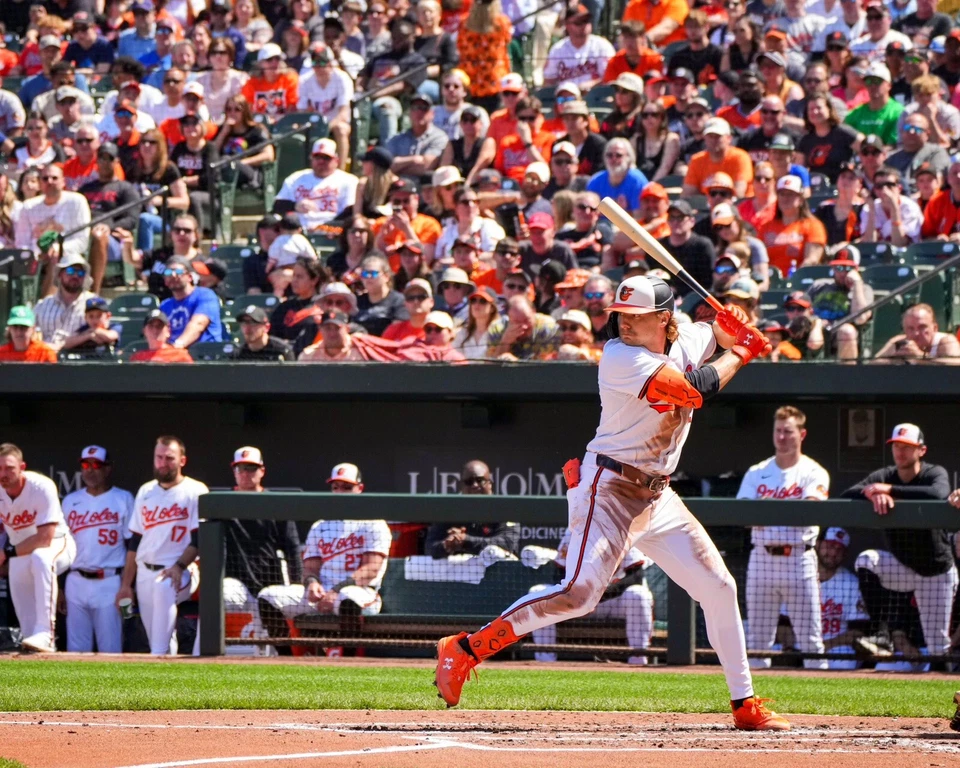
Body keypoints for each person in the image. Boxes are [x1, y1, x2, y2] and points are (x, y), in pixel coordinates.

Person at [434, 274, 787, 731]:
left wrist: (733, 324)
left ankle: (745, 704)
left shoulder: (685, 336)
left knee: (719, 588)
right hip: (610, 487)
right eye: (619, 317)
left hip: (657, 495)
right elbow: (694, 391)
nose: (623, 325)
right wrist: (740, 352)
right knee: (579, 595)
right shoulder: (620, 357)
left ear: (665, 319)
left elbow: (712, 331)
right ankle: (464, 650)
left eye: (635, 318)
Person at [841, 424, 956, 664]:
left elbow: (938, 493)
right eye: (896, 446)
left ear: (921, 450)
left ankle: (947, 688)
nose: (900, 452)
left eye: (907, 447)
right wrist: (870, 493)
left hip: (935, 571)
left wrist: (891, 490)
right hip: (902, 566)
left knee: (938, 646)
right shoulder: (884, 475)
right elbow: (847, 494)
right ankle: (881, 635)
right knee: (866, 560)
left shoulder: (933, 472)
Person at [737, 405, 829, 670]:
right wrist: (775, 511)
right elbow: (744, 515)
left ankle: (822, 703)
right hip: (762, 558)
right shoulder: (758, 471)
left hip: (799, 559)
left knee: (811, 640)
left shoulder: (814, 471)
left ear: (802, 434)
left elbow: (809, 511)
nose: (782, 437)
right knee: (758, 641)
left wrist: (765, 509)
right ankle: (753, 703)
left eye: (788, 431)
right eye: (778, 431)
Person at [258, 463, 392, 640]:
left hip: (361, 592)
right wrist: (312, 582)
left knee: (347, 598)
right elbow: (310, 568)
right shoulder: (321, 526)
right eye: (335, 487)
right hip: (323, 594)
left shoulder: (373, 523)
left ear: (359, 488)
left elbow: (371, 569)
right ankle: (286, 659)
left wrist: (336, 591)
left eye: (347, 487)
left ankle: (348, 660)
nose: (340, 492)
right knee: (268, 596)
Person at [117, 436, 207, 656]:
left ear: (182, 461)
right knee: (158, 637)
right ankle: (167, 673)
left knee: (163, 587)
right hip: (145, 571)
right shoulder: (146, 491)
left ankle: (156, 659)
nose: (163, 463)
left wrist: (179, 566)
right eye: (159, 457)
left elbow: (199, 540)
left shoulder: (196, 490)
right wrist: (126, 584)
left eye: (169, 458)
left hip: (181, 569)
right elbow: (135, 541)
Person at [0, 443, 76, 653]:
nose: (3, 474)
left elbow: (44, 538)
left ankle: (47, 634)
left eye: (9, 468)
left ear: (22, 466)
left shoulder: (41, 486)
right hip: (20, 552)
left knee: (41, 558)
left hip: (58, 544)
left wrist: (5, 554)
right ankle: (35, 643)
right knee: (27, 631)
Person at [61, 445, 134, 654]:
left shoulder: (124, 498)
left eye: (96, 465)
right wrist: (59, 587)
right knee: (76, 649)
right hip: (75, 580)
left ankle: (110, 688)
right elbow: (59, 547)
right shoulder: (70, 501)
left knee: (111, 649)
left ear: (108, 469)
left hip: (109, 582)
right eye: (85, 465)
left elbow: (132, 546)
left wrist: (127, 585)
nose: (90, 470)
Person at [80, 141, 141, 295]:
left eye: (110, 159)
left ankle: (93, 293)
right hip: (83, 234)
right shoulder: (85, 189)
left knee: (99, 236)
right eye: (102, 158)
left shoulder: (126, 188)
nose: (105, 163)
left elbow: (132, 219)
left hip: (113, 241)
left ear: (117, 162)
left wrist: (110, 227)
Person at [425, 461, 520, 558]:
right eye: (469, 482)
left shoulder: (506, 509)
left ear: (490, 483)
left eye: (480, 480)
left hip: (498, 569)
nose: (474, 485)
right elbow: (429, 548)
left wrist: (466, 540)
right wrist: (446, 545)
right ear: (462, 487)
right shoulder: (449, 511)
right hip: (460, 570)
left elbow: (507, 543)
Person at [14, 162, 91, 281]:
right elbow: (22, 243)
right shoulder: (28, 207)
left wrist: (58, 248)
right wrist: (36, 255)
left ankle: (49, 299)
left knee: (55, 257)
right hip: (35, 258)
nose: (49, 181)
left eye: (54, 178)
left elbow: (82, 240)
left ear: (63, 181)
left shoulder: (77, 201)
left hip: (68, 257)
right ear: (40, 183)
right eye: (45, 178)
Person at [816, 527, 871, 670]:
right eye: (830, 546)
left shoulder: (851, 583)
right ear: (817, 544)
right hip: (802, 645)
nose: (834, 553)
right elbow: (784, 624)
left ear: (845, 554)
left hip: (837, 646)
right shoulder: (801, 578)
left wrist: (824, 646)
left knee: (844, 660)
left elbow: (858, 632)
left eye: (839, 549)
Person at [275, 138, 358, 232]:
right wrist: (295, 205)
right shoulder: (296, 178)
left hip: (332, 230)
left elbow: (350, 212)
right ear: (311, 158)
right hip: (298, 230)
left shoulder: (348, 180)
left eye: (326, 158)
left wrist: (322, 227)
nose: (321, 162)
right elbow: (278, 206)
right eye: (317, 157)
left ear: (336, 160)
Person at [807, 246, 873, 360]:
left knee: (846, 331)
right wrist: (815, 322)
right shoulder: (819, 285)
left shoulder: (864, 289)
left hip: (842, 334)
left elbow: (860, 318)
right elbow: (803, 307)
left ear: (855, 269)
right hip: (816, 329)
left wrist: (857, 284)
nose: (842, 272)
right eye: (838, 267)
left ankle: (847, 376)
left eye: (848, 268)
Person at [757, 175, 827, 276]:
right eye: (782, 194)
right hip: (769, 279)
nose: (785, 198)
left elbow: (812, 260)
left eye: (790, 194)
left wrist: (794, 279)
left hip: (799, 282)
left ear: (801, 200)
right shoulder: (766, 228)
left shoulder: (813, 226)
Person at [296, 44, 352, 166]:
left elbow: (344, 112)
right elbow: (301, 110)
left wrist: (327, 126)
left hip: (336, 121)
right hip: (314, 122)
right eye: (315, 63)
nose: (319, 68)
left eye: (322, 63)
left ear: (331, 63)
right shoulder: (305, 80)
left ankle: (341, 169)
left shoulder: (342, 78)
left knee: (341, 130)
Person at [454, 0, 512, 114]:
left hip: (471, 82)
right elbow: (507, 40)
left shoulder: (464, 23)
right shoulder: (501, 23)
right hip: (494, 82)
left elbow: (459, 46)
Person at [543, 4, 614, 93]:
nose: (584, 25)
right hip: (566, 99)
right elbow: (548, 82)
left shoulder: (602, 46)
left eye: (586, 21)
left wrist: (592, 84)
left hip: (594, 97)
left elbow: (609, 79)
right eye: (578, 22)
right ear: (567, 25)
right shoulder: (557, 50)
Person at [32, 253, 96, 351]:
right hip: (46, 360)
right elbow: (30, 334)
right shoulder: (42, 305)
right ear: (60, 274)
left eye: (80, 273)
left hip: (81, 360)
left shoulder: (94, 303)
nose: (75, 276)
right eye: (70, 271)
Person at [212, 94, 274, 193]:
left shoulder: (256, 130)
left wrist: (240, 163)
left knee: (226, 160)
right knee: (222, 162)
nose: (232, 113)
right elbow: (212, 154)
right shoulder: (222, 130)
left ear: (244, 111)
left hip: (248, 171)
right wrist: (224, 132)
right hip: (225, 169)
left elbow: (269, 155)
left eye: (237, 109)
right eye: (229, 109)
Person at [159, 257, 224, 348]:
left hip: (203, 354)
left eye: (178, 272)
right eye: (168, 272)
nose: (173, 275)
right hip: (174, 356)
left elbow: (198, 324)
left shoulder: (205, 295)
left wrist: (177, 346)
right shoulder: (165, 305)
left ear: (189, 277)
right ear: (165, 281)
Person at [797, 94, 861, 185]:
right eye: (811, 109)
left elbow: (867, 149)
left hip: (841, 187)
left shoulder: (844, 133)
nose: (815, 112)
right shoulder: (805, 141)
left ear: (829, 109)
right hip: (815, 189)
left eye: (819, 108)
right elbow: (800, 170)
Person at [683, 118, 753, 199]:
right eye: (710, 136)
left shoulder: (740, 157)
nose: (713, 140)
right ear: (704, 138)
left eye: (718, 136)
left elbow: (739, 193)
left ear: (729, 138)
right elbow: (688, 195)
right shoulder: (696, 160)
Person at [660, 200, 715, 297]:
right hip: (664, 299)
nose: (675, 222)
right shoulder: (660, 247)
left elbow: (708, 282)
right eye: (672, 217)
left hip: (695, 300)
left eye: (680, 217)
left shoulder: (702, 246)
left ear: (692, 221)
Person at [843, 62, 903, 147]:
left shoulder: (898, 112)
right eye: (868, 81)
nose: (872, 85)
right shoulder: (855, 113)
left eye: (877, 81)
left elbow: (893, 145)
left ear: (889, 85)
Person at [874, 302, 960, 361]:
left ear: (935, 328)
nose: (916, 333)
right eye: (910, 328)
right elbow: (872, 364)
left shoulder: (946, 341)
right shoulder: (898, 342)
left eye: (922, 327)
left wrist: (920, 356)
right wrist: (894, 359)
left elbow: (953, 367)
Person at [586, 137, 649, 218]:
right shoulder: (596, 180)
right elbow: (587, 212)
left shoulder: (637, 181)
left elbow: (640, 218)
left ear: (629, 158)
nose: (613, 159)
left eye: (618, 155)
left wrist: (621, 212)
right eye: (609, 155)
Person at [860, 166, 922, 245]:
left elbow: (900, 244)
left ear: (899, 188)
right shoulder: (868, 208)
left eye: (889, 185)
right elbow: (869, 244)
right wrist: (872, 210)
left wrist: (894, 208)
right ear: (874, 190)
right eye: (879, 186)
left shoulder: (910, 207)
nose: (884, 190)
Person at [485, 295, 560, 360]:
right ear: (508, 318)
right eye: (517, 322)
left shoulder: (548, 327)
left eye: (526, 320)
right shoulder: (497, 328)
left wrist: (517, 364)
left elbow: (546, 367)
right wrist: (505, 341)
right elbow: (491, 367)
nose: (524, 326)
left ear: (534, 312)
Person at [241, 43, 298, 118]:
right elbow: (247, 110)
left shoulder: (290, 78)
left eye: (277, 58)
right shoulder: (251, 83)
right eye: (269, 60)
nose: (274, 63)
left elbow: (293, 108)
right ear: (261, 64)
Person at [128, 309, 194, 363]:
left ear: (168, 331)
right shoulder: (137, 358)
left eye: (159, 326)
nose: (155, 330)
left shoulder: (180, 355)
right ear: (144, 331)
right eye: (151, 326)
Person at [452, 286, 499, 359]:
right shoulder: (461, 333)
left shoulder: (498, 333)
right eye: (473, 300)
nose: (477, 304)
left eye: (482, 301)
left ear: (492, 308)